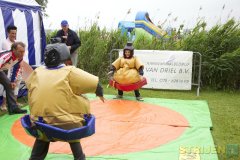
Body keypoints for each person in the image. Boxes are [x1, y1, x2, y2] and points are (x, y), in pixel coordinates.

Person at [26, 43, 104, 160]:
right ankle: (79, 157)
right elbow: (95, 84)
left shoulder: (38, 72)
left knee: (42, 137)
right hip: (67, 124)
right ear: (64, 56)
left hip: (40, 122)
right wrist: (99, 93)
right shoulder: (69, 72)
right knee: (73, 135)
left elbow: (30, 87)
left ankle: (35, 157)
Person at [0, 41, 27, 115]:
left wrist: (12, 81)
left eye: (23, 51)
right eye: (20, 51)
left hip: (1, 70)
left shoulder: (19, 58)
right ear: (14, 50)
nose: (22, 54)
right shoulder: (7, 56)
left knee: (9, 85)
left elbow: (16, 69)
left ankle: (13, 108)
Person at [0, 25, 23, 111]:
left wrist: (20, 66)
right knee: (9, 85)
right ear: (8, 33)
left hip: (16, 67)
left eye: (15, 33)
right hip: (8, 68)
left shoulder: (16, 42)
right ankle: (4, 104)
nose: (14, 35)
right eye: (12, 33)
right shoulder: (5, 43)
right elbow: (11, 57)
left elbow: (18, 56)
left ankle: (15, 102)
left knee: (16, 84)